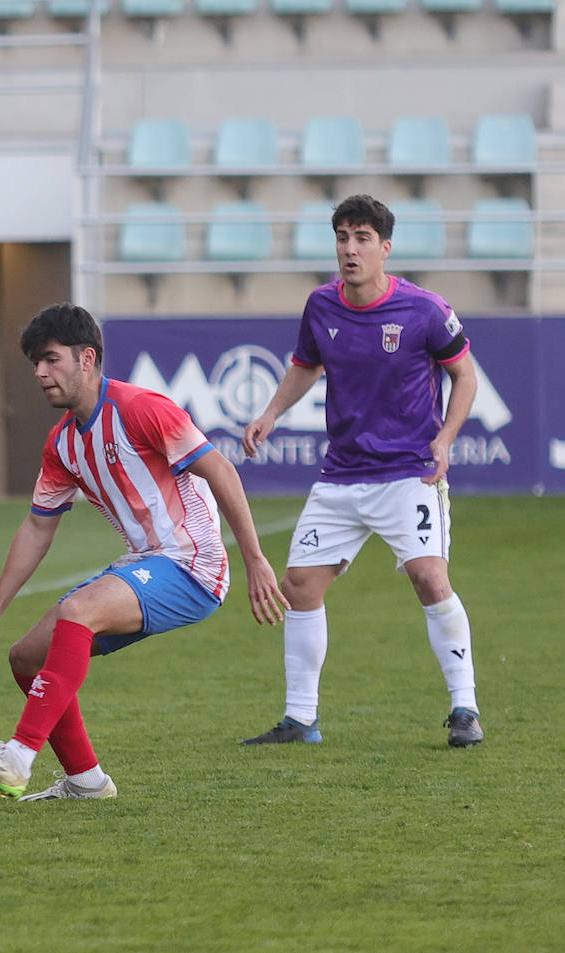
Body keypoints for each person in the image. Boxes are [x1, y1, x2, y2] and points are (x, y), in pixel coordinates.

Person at [0, 303, 289, 801]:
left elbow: (222, 472)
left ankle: (18, 758)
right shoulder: (62, 443)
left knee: (79, 609)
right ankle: (87, 782)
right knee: (26, 658)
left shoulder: (141, 408)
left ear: (87, 358)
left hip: (193, 565)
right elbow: (38, 529)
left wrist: (255, 560)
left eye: (51, 359)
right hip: (144, 564)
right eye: (35, 364)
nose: (40, 373)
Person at [239, 193, 483, 748]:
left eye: (362, 238)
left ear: (385, 248)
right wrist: (270, 414)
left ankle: (465, 708)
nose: (350, 249)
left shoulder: (424, 310)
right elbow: (306, 364)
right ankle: (301, 720)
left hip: (409, 471)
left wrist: (445, 439)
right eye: (343, 238)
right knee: (300, 585)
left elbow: (465, 376)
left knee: (429, 576)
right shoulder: (322, 305)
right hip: (342, 474)